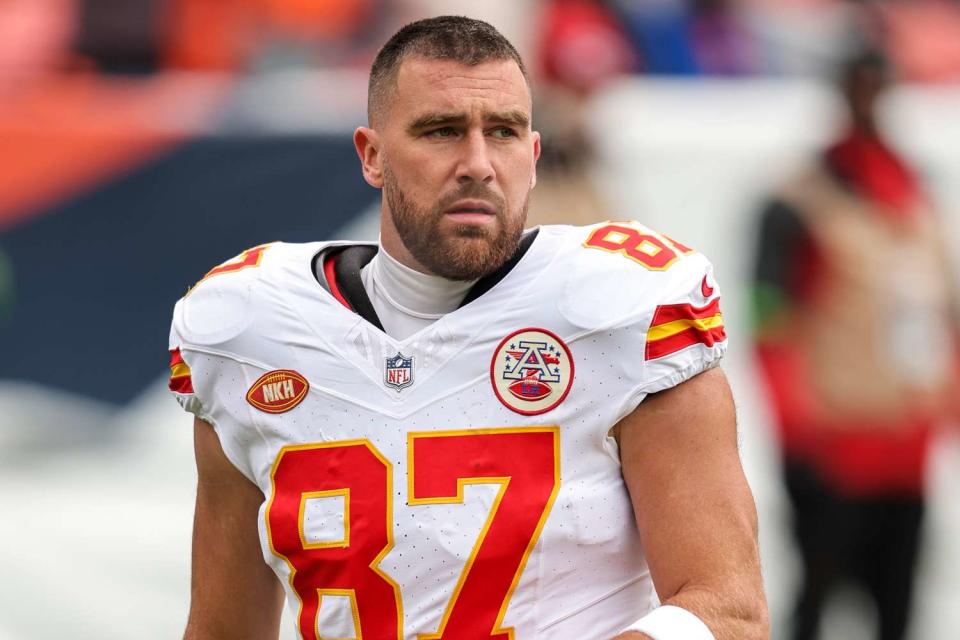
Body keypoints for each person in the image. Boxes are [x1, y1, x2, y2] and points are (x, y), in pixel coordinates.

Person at [168, 16, 767, 640]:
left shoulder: (622, 308)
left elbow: (729, 611)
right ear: (372, 156)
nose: (478, 163)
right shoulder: (248, 328)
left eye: (503, 132)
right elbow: (221, 629)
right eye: (442, 130)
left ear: (532, 157)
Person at [752, 49, 960, 640]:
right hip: (832, 445)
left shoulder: (915, 190)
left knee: (899, 607)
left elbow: (945, 310)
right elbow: (769, 317)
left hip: (905, 443)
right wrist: (795, 429)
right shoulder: (796, 201)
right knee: (816, 601)